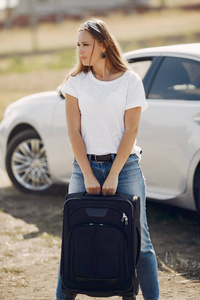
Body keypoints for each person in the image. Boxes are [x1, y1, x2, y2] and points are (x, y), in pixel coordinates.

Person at [56, 18, 159, 300]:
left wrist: (113, 173)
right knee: (72, 234)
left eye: (85, 45)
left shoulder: (130, 81)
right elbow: (74, 132)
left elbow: (131, 130)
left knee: (141, 242)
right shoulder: (75, 83)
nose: (80, 50)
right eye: (77, 45)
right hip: (84, 166)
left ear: (103, 45)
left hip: (125, 168)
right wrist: (88, 174)